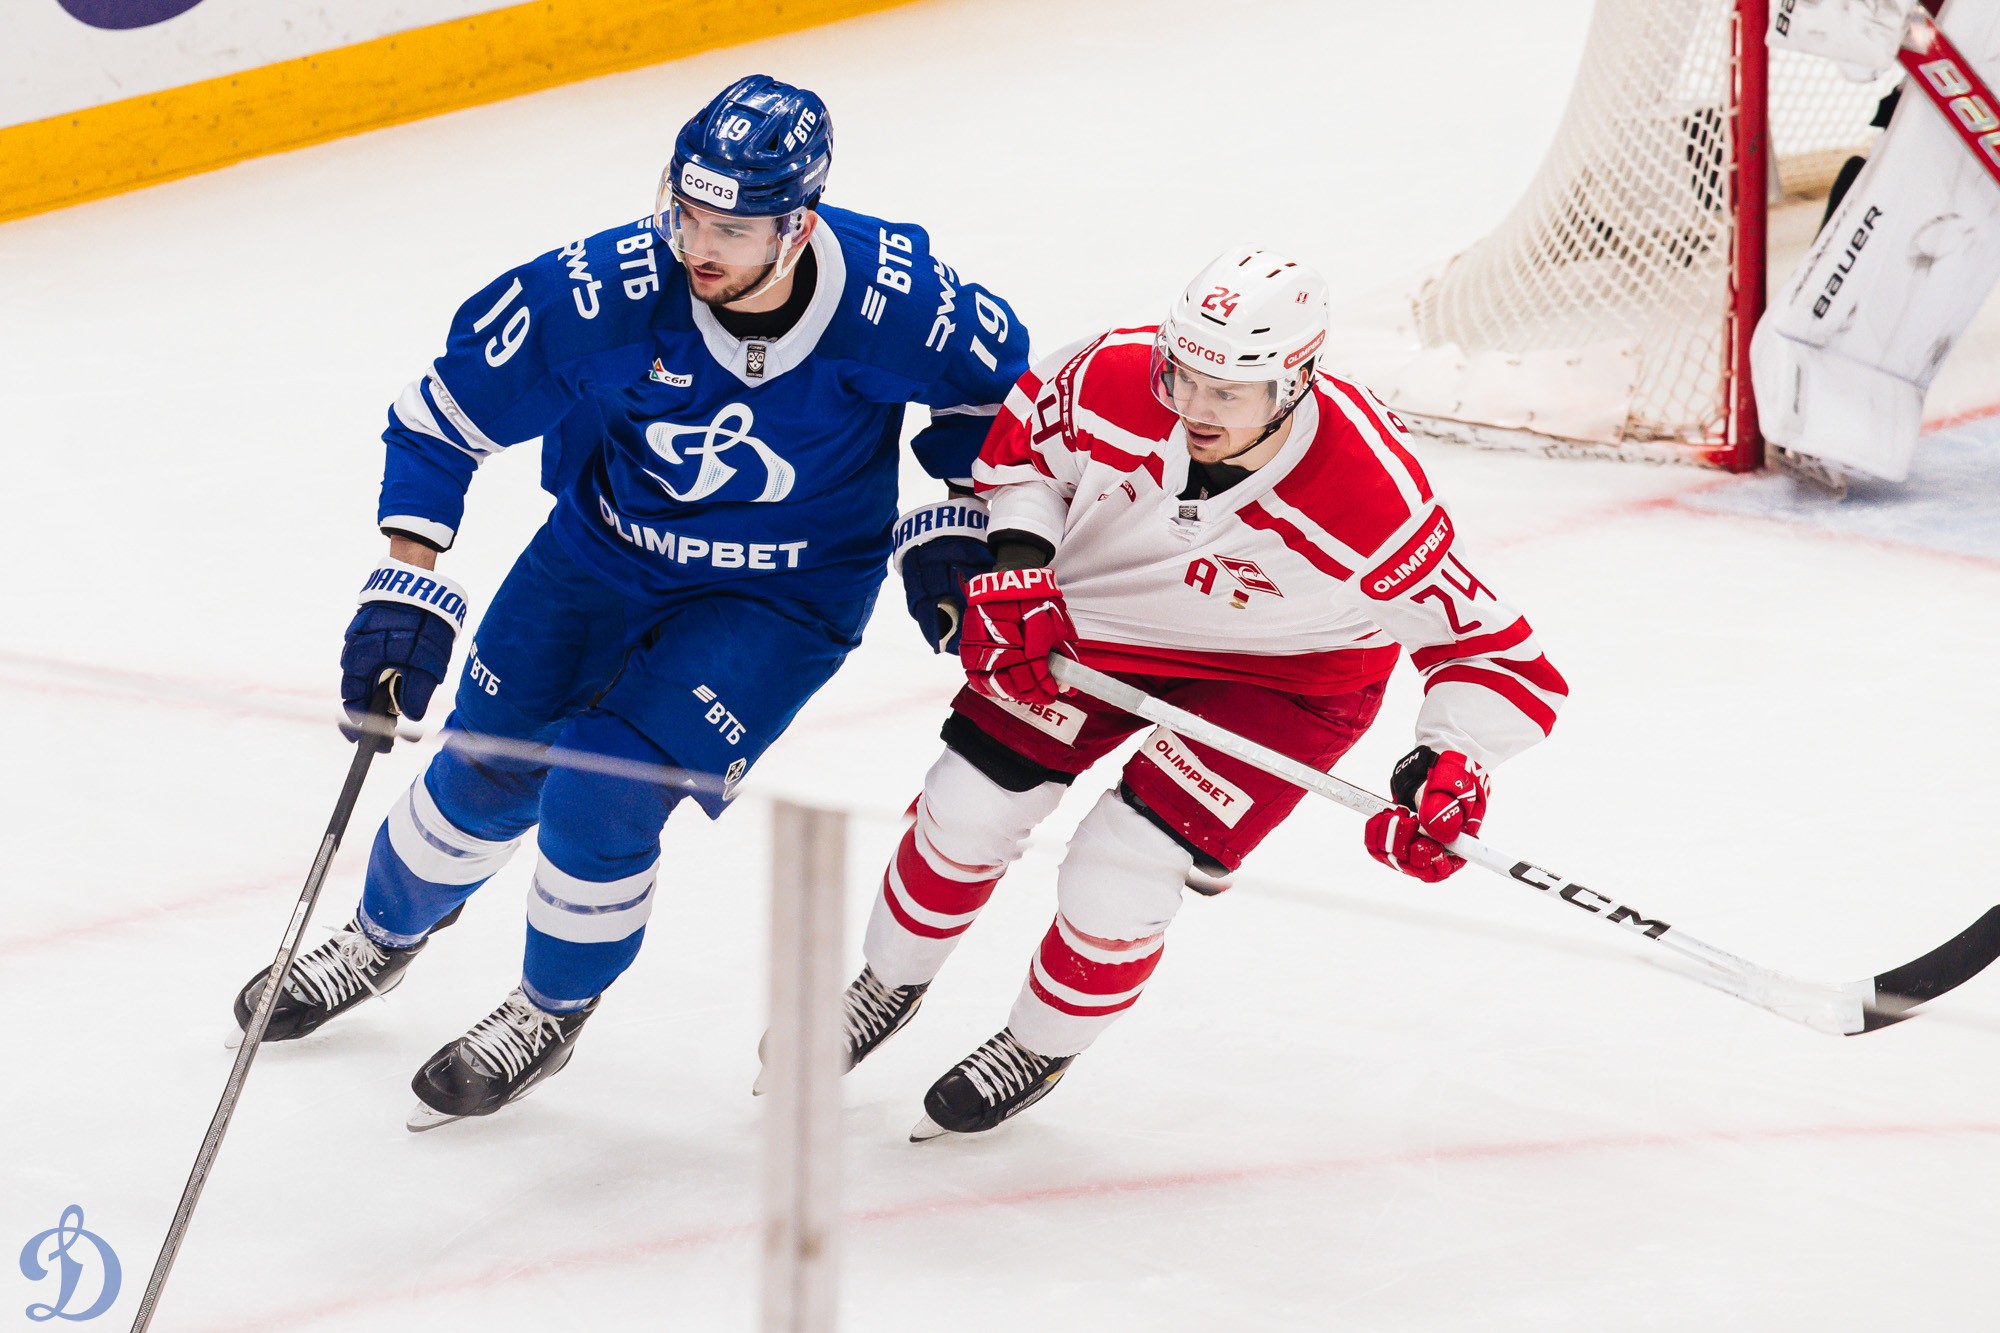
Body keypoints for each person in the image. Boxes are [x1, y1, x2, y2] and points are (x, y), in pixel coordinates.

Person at [230, 74, 1026, 1129]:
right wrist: (406, 582)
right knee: (484, 767)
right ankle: (379, 939)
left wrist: (963, 514)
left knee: (600, 793)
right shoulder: (598, 292)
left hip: (782, 599)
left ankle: (548, 1008)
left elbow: (999, 403)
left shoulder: (900, 301)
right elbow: (438, 421)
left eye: (731, 229)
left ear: (798, 226)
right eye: (685, 213)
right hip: (600, 555)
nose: (698, 246)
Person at [833, 247, 1567, 1138]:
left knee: (1118, 869)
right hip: (1100, 622)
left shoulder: (1369, 494)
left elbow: (1497, 654)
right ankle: (887, 979)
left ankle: (1037, 1043)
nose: (1194, 407)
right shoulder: (1110, 373)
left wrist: (1453, 764)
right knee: (967, 805)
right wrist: (1020, 567)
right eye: (1182, 375)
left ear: (1294, 382)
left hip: (1288, 676)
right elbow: (1026, 462)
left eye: (1228, 391)